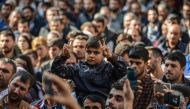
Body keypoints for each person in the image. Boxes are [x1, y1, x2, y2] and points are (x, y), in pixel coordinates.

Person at [51, 36, 127, 103]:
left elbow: (123, 71)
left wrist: (111, 56)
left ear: (103, 54)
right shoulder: (77, 68)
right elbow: (56, 70)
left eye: (96, 53)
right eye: (88, 52)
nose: (91, 55)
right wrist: (63, 56)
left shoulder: (109, 68)